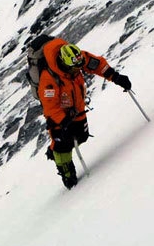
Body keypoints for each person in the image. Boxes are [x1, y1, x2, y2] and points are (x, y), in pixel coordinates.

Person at [38, 37, 131, 189]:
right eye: (74, 68)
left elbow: (97, 64)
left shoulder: (77, 58)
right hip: (58, 116)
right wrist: (63, 122)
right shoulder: (48, 80)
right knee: (63, 145)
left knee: (82, 136)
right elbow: (50, 108)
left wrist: (116, 77)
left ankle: (54, 149)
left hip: (77, 106)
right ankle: (67, 174)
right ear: (64, 64)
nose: (78, 70)